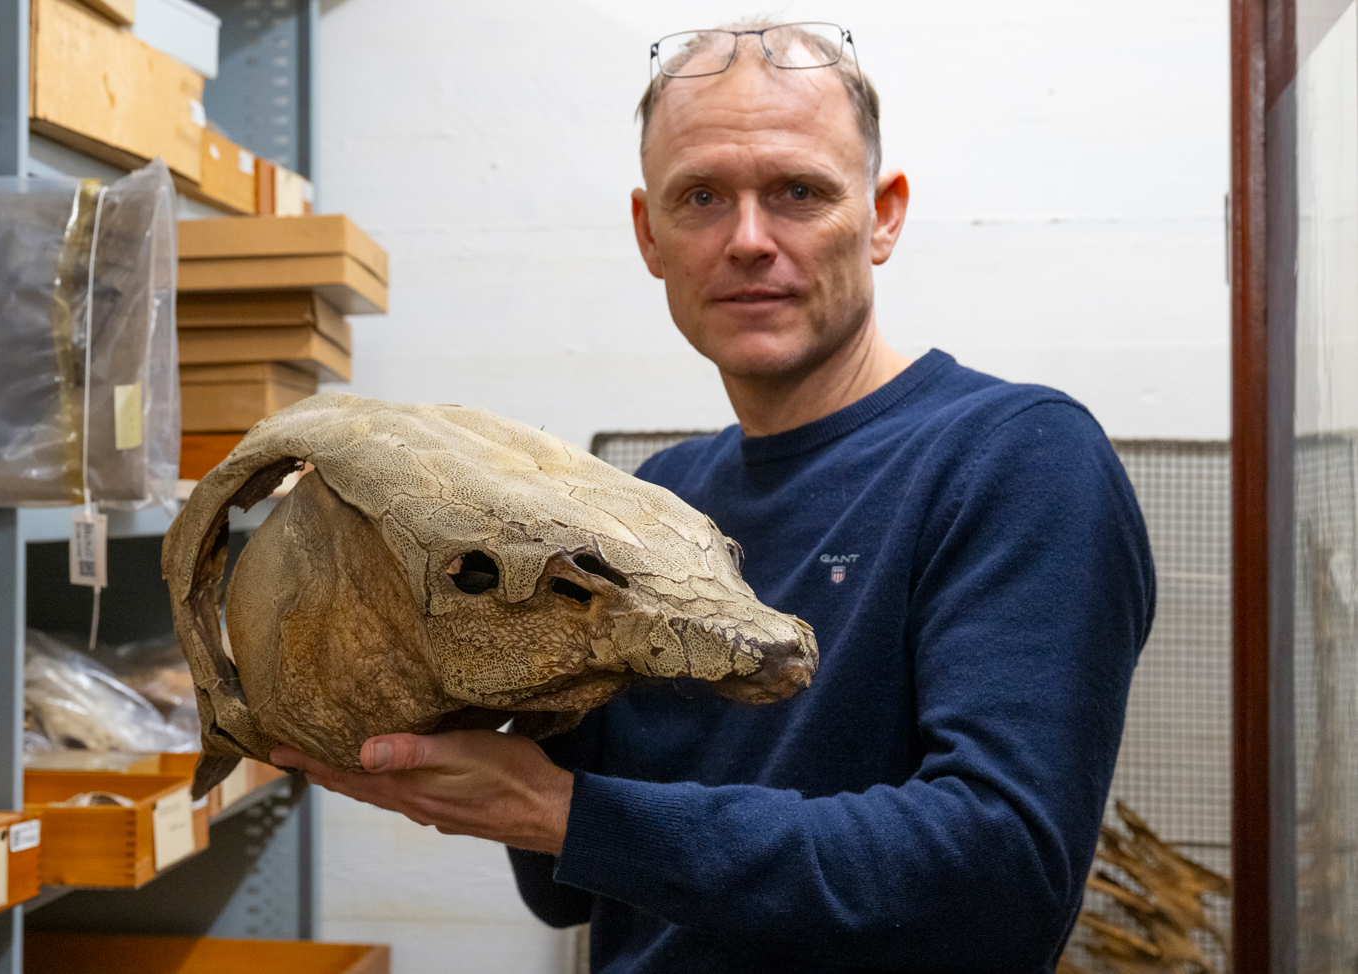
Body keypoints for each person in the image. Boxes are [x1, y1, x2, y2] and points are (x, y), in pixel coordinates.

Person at [271, 20, 1154, 973]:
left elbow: (1001, 875)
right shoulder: (652, 502)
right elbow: (565, 883)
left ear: (884, 214)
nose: (747, 240)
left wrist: (555, 809)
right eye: (701, 197)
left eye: (798, 192)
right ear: (650, 233)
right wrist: (446, 677)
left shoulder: (1013, 458)